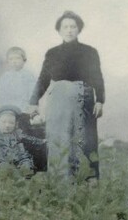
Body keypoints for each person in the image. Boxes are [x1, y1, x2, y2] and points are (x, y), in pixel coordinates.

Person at [26, 10, 104, 180]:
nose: (69, 30)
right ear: (59, 30)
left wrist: (100, 100)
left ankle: (89, 181)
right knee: (58, 139)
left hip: (83, 97)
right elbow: (43, 78)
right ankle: (60, 184)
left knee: (85, 139)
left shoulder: (90, 52)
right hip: (59, 99)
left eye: (73, 26)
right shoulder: (52, 53)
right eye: (65, 27)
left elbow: (97, 76)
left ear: (79, 29)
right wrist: (34, 101)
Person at [0, 105, 43, 173]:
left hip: (21, 159)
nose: (7, 125)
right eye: (4, 122)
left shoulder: (18, 134)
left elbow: (30, 139)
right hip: (5, 160)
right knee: (3, 170)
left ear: (15, 124)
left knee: (27, 168)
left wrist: (42, 141)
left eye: (11, 123)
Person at [0, 46, 37, 110]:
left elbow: (32, 94)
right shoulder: (5, 77)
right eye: (11, 59)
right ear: (7, 61)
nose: (14, 61)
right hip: (8, 108)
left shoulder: (28, 76)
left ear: (24, 60)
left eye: (18, 58)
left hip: (24, 108)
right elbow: (1, 95)